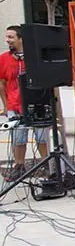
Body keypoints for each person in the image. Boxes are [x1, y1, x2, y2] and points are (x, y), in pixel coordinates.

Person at [0, 25, 50, 181]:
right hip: (15, 104)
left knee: (41, 136)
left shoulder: (33, 56)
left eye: (11, 37)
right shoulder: (3, 58)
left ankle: (46, 165)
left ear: (20, 38)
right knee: (18, 138)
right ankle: (19, 166)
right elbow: (1, 82)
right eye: (7, 37)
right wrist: (6, 105)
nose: (8, 40)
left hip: (37, 103)